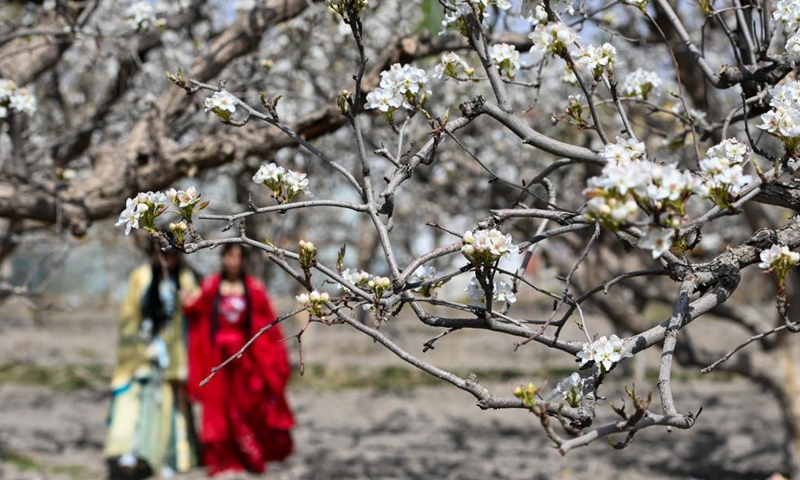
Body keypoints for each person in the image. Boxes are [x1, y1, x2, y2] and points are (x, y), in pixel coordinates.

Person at [184, 243, 294, 476]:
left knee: (247, 405)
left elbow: (268, 325)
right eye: (229, 256)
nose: (233, 261)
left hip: (244, 359)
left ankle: (250, 454)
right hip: (218, 360)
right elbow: (198, 313)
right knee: (218, 408)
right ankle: (223, 458)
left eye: (237, 256)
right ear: (223, 258)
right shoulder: (211, 286)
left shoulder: (254, 288)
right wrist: (188, 302)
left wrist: (275, 358)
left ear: (243, 260)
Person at [104, 240, 200, 480]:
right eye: (161, 255)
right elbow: (130, 316)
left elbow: (192, 316)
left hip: (174, 356)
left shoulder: (185, 279)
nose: (165, 261)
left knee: (171, 410)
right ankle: (132, 452)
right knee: (136, 405)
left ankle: (170, 458)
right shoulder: (141, 277)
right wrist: (139, 348)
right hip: (144, 354)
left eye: (170, 255)